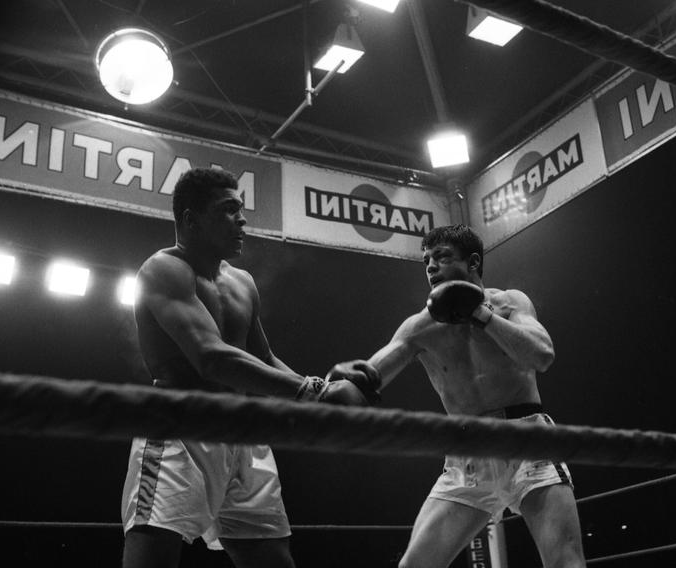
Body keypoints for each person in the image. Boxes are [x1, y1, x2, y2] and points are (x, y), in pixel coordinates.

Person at [121, 167, 379, 568]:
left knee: (271, 558)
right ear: (191, 219)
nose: (242, 220)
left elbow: (263, 358)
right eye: (228, 210)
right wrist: (316, 392)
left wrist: (319, 395)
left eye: (241, 209)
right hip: (181, 428)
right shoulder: (163, 270)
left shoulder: (242, 281)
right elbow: (211, 357)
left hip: (244, 433)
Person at [327, 224, 586, 568]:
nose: (431, 266)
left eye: (442, 257)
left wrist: (480, 314)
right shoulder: (419, 327)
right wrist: (342, 386)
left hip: (529, 443)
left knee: (565, 563)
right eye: (426, 261)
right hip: (467, 455)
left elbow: (542, 355)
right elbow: (369, 377)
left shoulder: (510, 303)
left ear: (473, 262)